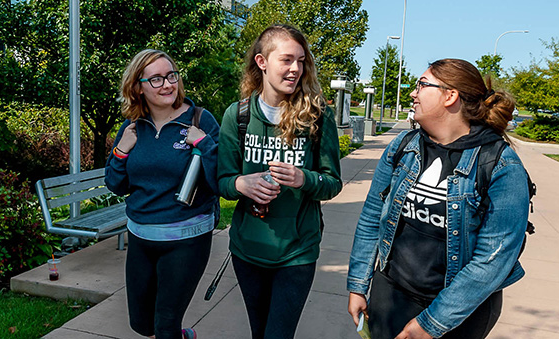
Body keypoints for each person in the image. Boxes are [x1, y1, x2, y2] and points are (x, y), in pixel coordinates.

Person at [346, 58, 531, 339]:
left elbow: (493, 259)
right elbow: (372, 216)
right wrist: (358, 284)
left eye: (422, 84)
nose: (413, 92)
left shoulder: (501, 165)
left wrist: (431, 323)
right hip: (391, 296)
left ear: (450, 96)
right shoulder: (404, 147)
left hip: (459, 311)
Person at [216, 24, 343, 339]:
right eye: (287, 60)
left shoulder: (318, 117)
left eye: (301, 61)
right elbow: (222, 181)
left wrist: (303, 178)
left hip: (297, 251)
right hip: (248, 250)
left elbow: (332, 183)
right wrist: (241, 185)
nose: (296, 69)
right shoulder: (238, 116)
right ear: (262, 62)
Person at [105, 49, 220, 339]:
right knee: (142, 325)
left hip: (186, 238)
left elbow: (222, 180)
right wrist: (121, 151)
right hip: (142, 237)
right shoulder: (132, 129)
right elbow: (116, 185)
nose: (168, 84)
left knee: (165, 325)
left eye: (171, 76)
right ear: (137, 87)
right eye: (156, 79)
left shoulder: (200, 121)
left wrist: (204, 144)